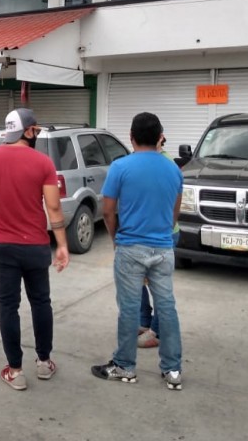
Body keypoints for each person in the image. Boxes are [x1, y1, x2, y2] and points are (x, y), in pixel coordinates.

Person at [0, 108, 70, 391]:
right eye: (35, 130)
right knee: (41, 302)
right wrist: (61, 244)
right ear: (28, 131)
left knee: (8, 306)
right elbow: (54, 206)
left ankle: (16, 370)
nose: (37, 134)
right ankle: (44, 362)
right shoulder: (44, 163)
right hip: (35, 245)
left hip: (3, 246)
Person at [91, 112, 184, 391]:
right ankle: (173, 370)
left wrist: (117, 240)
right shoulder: (174, 169)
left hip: (130, 246)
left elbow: (108, 211)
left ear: (131, 138)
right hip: (164, 247)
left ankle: (124, 367)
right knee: (167, 308)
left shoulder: (120, 167)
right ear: (160, 137)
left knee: (129, 310)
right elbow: (174, 216)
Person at [138, 136, 181, 349]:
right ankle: (144, 321)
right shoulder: (141, 160)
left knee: (158, 286)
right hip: (145, 234)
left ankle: (157, 332)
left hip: (161, 235)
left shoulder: (166, 165)